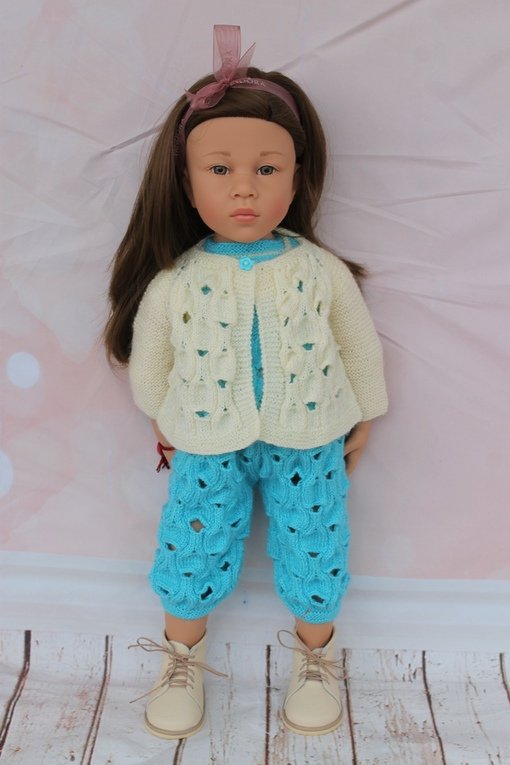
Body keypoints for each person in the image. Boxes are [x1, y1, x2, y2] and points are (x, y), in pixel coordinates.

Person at [104, 25, 388, 740]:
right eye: (219, 169)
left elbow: (357, 342)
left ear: (295, 178)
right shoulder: (177, 278)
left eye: (266, 169)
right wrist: (161, 414)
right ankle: (181, 659)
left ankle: (316, 658)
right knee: (191, 542)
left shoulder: (316, 268)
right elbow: (153, 355)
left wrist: (365, 413)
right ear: (186, 182)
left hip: (310, 434)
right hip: (205, 438)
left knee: (316, 539)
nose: (243, 188)